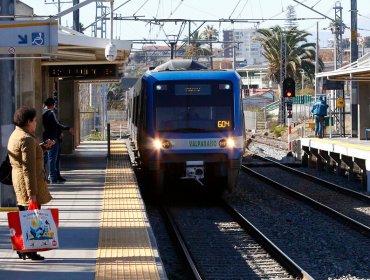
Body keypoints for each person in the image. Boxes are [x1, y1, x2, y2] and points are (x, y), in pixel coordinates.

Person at [7, 106, 55, 260]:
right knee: (32, 217)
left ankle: (23, 249)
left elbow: (26, 158)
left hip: (19, 181)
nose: (35, 124)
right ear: (28, 122)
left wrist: (42, 148)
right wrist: (32, 194)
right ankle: (30, 250)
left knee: (24, 216)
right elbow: (29, 168)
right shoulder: (27, 139)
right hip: (29, 183)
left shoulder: (16, 134)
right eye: (34, 121)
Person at [42, 97, 72, 183]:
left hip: (47, 137)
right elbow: (56, 124)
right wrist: (67, 128)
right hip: (53, 139)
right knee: (53, 158)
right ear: (52, 105)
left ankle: (54, 176)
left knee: (50, 158)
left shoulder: (42, 113)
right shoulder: (50, 113)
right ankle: (53, 177)